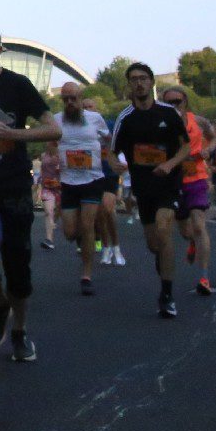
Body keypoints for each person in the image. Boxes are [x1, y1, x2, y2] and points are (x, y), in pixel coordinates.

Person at [0, 27, 60, 361]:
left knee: (17, 260)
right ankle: (0, 300)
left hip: (12, 184)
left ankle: (20, 330)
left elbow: (53, 128)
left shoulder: (17, 85)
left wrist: (13, 133)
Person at [109, 62, 190, 318]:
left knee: (164, 230)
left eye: (143, 78)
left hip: (168, 182)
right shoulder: (125, 118)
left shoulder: (168, 113)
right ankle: (161, 259)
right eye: (134, 79)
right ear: (129, 85)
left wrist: (169, 164)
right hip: (143, 187)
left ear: (152, 82)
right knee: (155, 244)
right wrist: (117, 167)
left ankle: (166, 295)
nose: (139, 83)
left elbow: (185, 147)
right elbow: (111, 153)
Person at [53, 82, 109, 296]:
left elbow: (108, 139)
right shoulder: (57, 120)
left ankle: (86, 275)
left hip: (92, 179)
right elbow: (48, 138)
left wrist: (111, 158)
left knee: (86, 226)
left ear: (80, 98)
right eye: (65, 99)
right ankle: (85, 238)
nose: (70, 103)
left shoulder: (95, 119)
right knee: (69, 232)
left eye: (73, 98)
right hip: (68, 182)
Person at [159, 86, 215, 294]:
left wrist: (208, 149)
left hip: (197, 178)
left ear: (185, 102)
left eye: (178, 102)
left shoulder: (198, 121)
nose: (174, 106)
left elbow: (213, 136)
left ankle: (204, 277)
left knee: (200, 225)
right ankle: (191, 241)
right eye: (169, 103)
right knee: (185, 231)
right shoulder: (161, 124)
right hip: (174, 181)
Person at [83, 97, 127, 267]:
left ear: (97, 109)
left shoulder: (109, 124)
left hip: (108, 173)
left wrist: (121, 161)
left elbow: (120, 144)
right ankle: (106, 247)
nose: (87, 110)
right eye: (85, 107)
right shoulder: (81, 128)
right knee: (100, 213)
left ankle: (116, 247)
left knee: (108, 209)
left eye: (90, 106)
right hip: (91, 174)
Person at [37, 147, 62, 249]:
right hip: (47, 187)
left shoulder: (62, 152)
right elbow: (42, 169)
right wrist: (40, 179)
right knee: (48, 211)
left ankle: (53, 221)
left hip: (61, 187)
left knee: (58, 209)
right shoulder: (44, 155)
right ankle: (49, 239)